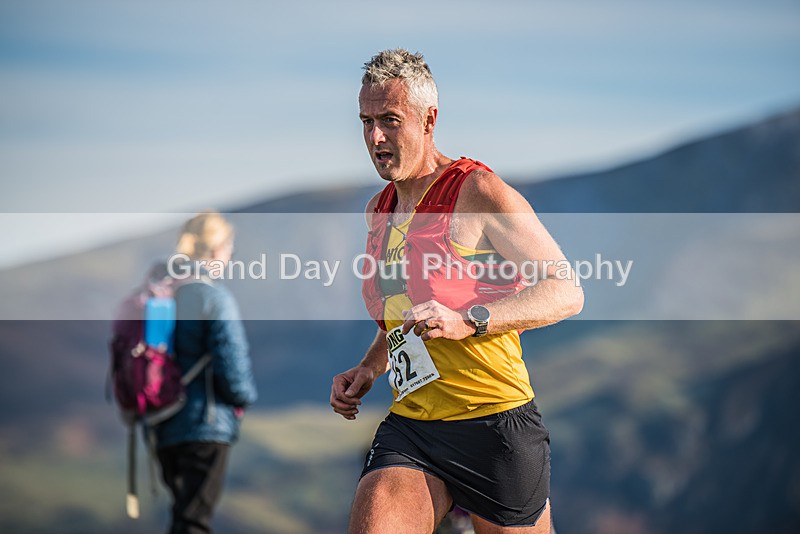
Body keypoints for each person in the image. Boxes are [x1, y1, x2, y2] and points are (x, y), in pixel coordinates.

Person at [330, 49, 584, 534]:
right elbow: (404, 314)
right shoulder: (378, 211)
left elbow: (566, 290)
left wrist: (469, 320)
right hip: (414, 424)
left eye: (389, 120)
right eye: (365, 121)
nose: (374, 137)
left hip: (494, 423)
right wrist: (368, 367)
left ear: (430, 120)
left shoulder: (478, 193)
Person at [155, 211, 258, 534]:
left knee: (183, 515)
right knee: (194, 522)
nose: (230, 255)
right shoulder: (213, 298)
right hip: (206, 424)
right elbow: (233, 363)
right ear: (216, 250)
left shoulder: (166, 293)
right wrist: (245, 397)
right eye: (229, 247)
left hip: (164, 423)